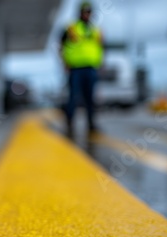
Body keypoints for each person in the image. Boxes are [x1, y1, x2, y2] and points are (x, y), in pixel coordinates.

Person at [60, 1, 103, 136]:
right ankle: (70, 122)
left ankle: (90, 124)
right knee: (74, 96)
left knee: (90, 98)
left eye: (89, 12)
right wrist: (65, 62)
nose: (87, 14)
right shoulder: (71, 28)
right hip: (76, 68)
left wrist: (99, 64)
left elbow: (99, 48)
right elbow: (61, 46)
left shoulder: (95, 30)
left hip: (91, 68)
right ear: (80, 13)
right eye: (85, 12)